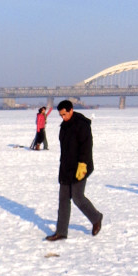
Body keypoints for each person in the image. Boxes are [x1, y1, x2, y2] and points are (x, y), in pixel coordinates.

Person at [45, 100, 103, 242]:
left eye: (64, 114)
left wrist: (83, 165)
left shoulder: (82, 125)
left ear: (71, 110)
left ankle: (96, 217)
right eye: (61, 115)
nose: (63, 117)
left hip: (79, 167)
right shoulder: (64, 126)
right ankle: (61, 232)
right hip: (65, 168)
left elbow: (86, 148)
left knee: (78, 197)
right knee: (63, 200)